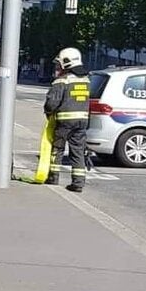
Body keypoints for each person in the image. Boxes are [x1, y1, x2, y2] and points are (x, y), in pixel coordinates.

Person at [44, 47, 91, 193]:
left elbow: (52, 103)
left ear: (66, 63)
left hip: (64, 121)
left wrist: (48, 112)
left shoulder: (61, 81)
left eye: (59, 64)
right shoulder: (86, 79)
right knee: (77, 151)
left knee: (57, 149)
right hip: (82, 121)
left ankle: (53, 177)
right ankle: (78, 183)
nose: (57, 67)